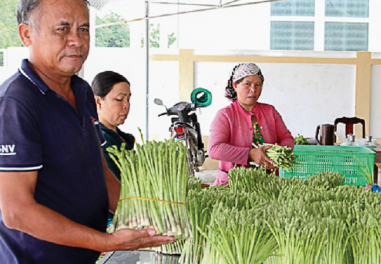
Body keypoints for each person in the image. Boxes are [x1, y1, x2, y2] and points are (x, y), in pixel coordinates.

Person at [0, 0, 175, 263]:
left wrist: (145, 217)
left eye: (83, 29)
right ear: (27, 34)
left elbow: (99, 170)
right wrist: (107, 241)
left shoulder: (81, 91)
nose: (77, 41)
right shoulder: (16, 103)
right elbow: (17, 212)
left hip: (84, 255)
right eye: (62, 29)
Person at [208, 63, 295, 186]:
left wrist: (280, 153)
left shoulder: (270, 111)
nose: (253, 89)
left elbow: (287, 138)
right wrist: (250, 154)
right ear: (235, 85)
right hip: (232, 184)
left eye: (258, 84)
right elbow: (214, 149)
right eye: (247, 84)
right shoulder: (225, 115)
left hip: (268, 183)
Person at [92, 71, 135, 227]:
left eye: (128, 99)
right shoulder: (97, 140)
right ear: (98, 102)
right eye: (119, 99)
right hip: (113, 222)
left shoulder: (124, 138)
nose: (126, 105)